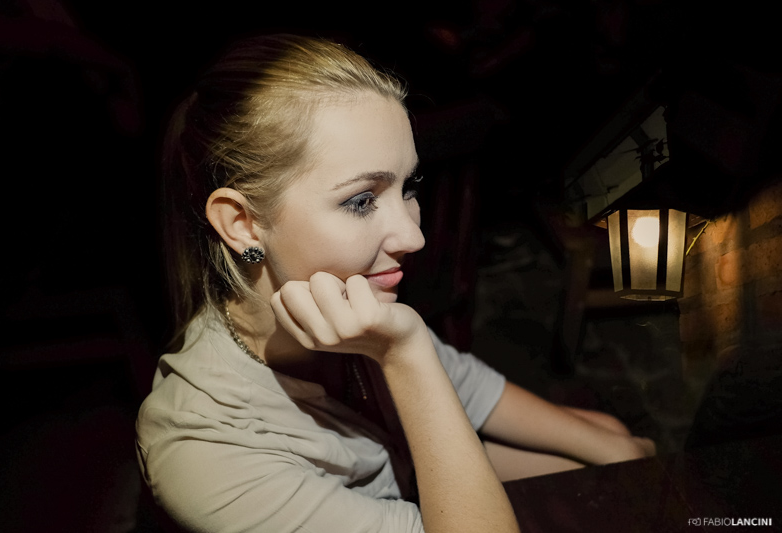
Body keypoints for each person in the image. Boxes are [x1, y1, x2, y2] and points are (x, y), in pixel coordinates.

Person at [135, 33, 655, 533]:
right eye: (361, 200)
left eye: (408, 187)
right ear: (243, 224)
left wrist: (617, 450)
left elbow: (468, 386)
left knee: (613, 440)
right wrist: (404, 353)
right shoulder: (206, 451)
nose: (414, 236)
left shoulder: (350, 298)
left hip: (412, 478)